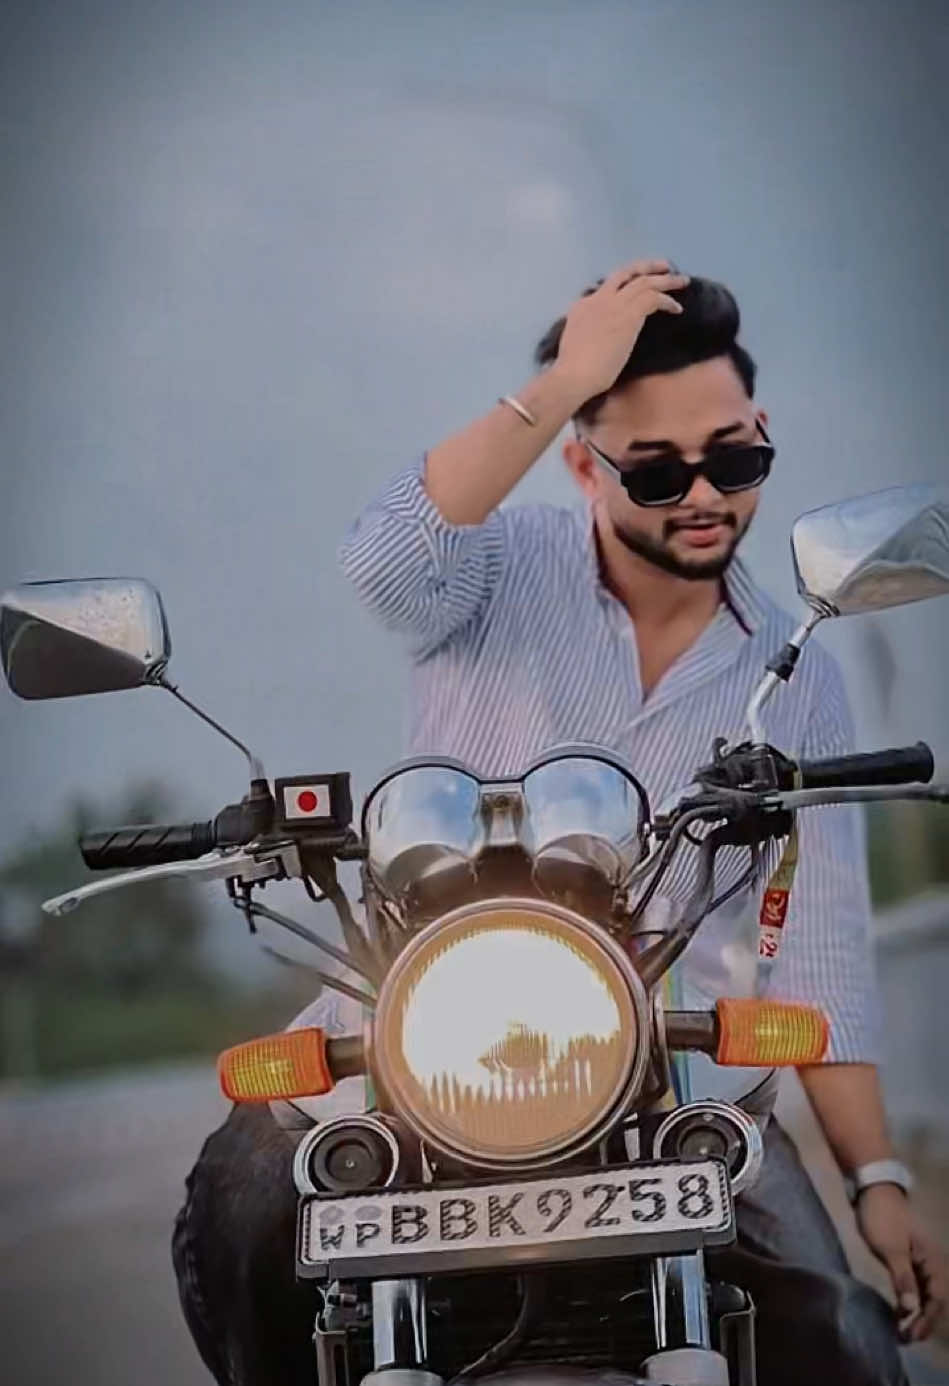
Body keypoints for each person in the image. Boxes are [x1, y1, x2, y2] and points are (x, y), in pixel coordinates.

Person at [173, 259, 946, 1385]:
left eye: (734, 459)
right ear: (584, 464)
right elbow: (384, 560)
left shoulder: (797, 677)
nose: (702, 494)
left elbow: (818, 960)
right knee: (242, 1217)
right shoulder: (499, 566)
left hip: (667, 1064)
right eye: (656, 469)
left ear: (763, 437)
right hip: (413, 1029)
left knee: (842, 1337)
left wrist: (879, 1179)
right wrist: (566, 379)